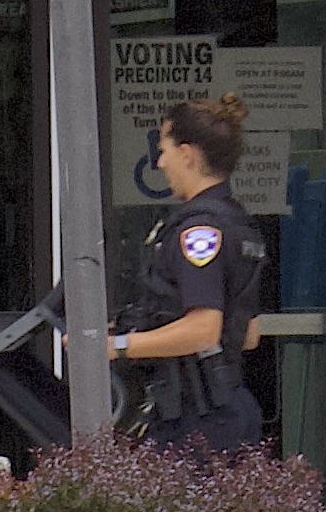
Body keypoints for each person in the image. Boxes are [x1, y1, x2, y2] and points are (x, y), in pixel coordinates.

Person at [108, 92, 266, 452]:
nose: (160, 162)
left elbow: (204, 330)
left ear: (188, 154)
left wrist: (116, 347)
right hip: (226, 407)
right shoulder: (239, 223)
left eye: (164, 149)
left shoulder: (199, 231)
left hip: (197, 420)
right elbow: (247, 334)